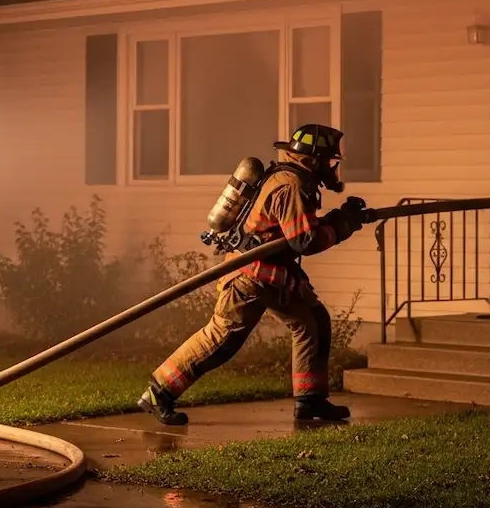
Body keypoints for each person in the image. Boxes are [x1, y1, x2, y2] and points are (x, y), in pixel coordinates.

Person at [138, 124, 366, 426]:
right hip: (251, 277)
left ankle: (310, 400)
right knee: (222, 338)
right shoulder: (291, 186)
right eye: (328, 161)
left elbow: (295, 231)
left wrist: (339, 219)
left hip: (275, 277)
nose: (331, 168)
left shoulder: (295, 180)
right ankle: (159, 392)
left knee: (313, 321)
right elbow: (305, 240)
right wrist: (342, 225)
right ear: (313, 159)